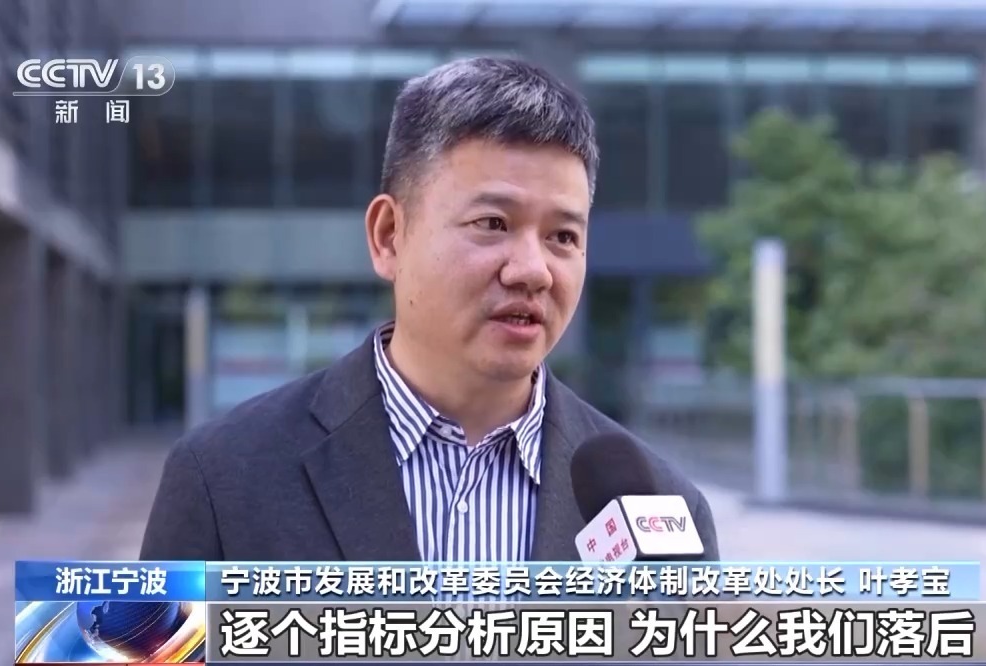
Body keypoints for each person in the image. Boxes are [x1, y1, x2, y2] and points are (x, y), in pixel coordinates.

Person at [139, 56, 720, 563]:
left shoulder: (666, 511)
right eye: (493, 223)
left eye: (563, 237)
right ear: (389, 236)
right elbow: (143, 644)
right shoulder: (221, 479)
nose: (533, 270)